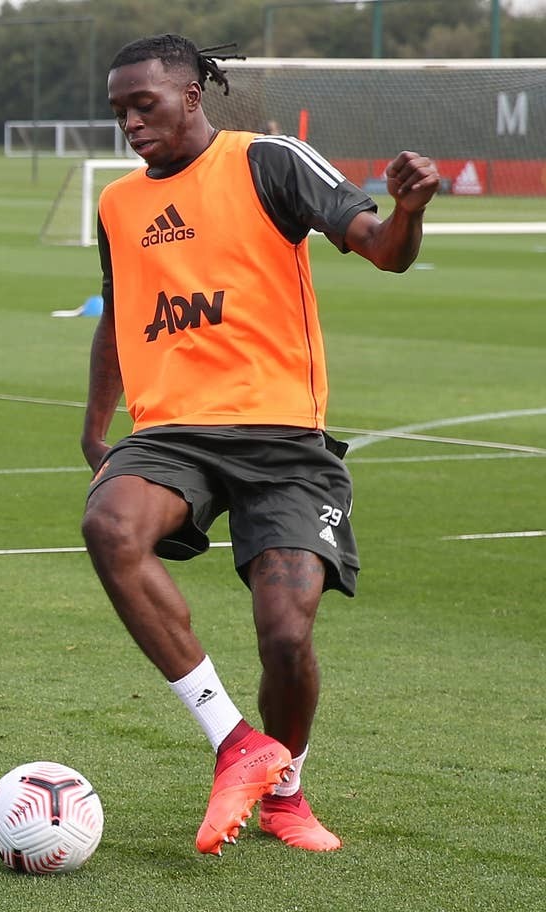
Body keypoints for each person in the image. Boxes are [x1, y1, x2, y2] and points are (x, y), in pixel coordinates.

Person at [79, 34, 437, 856]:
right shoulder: (118, 205)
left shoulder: (269, 163)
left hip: (283, 437)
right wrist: (97, 429)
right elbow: (116, 312)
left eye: (145, 105)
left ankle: (286, 791)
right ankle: (235, 742)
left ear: (193, 96)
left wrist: (409, 211)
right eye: (118, 111)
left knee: (284, 634)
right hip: (173, 432)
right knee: (110, 525)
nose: (130, 123)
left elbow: (383, 251)